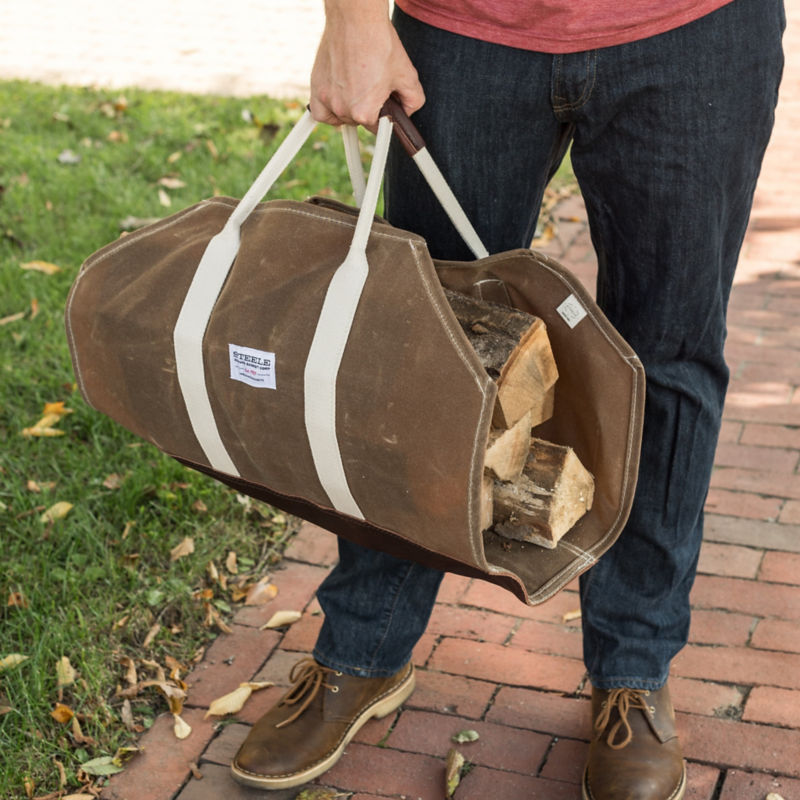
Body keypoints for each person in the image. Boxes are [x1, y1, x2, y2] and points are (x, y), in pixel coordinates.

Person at [231, 1, 785, 797]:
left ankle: (634, 671)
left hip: (694, 34)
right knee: (420, 354)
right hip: (464, 31)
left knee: (668, 360)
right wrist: (352, 21)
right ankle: (362, 649)